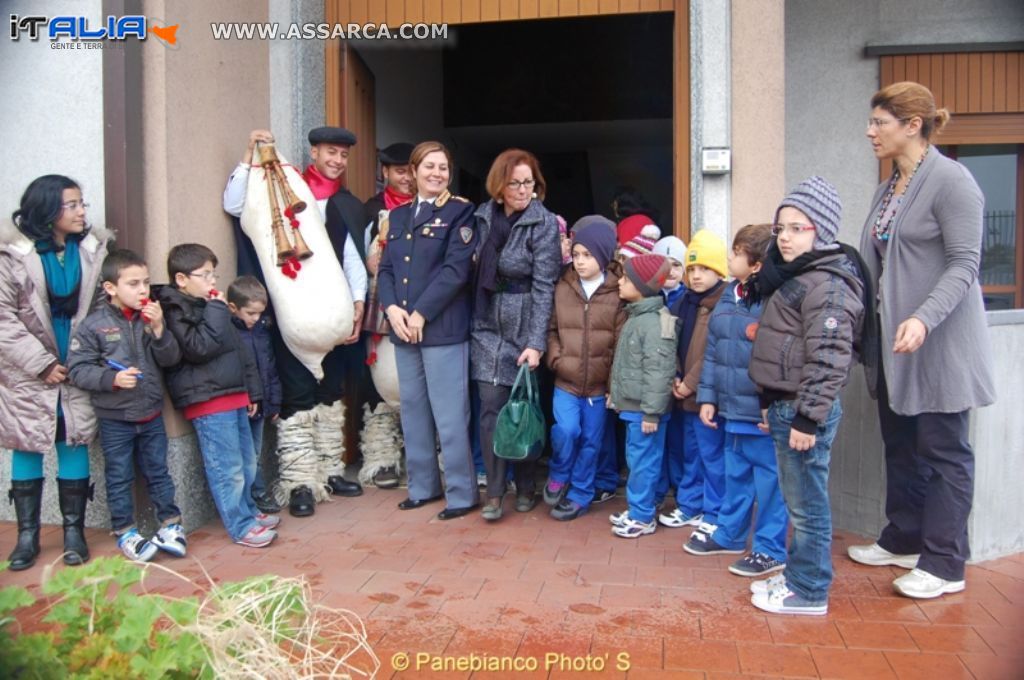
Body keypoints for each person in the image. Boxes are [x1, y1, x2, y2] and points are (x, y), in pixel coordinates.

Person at [847, 82, 996, 599]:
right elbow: (876, 265)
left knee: (943, 452)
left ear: (913, 125)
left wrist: (924, 318)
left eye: (879, 122)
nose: (870, 131)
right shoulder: (888, 187)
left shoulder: (954, 182)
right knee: (901, 445)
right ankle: (904, 537)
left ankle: (945, 563)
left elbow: (964, 265)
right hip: (894, 347)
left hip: (940, 344)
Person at [223, 127, 366, 516]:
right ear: (314, 152)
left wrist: (357, 305)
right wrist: (249, 154)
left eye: (344, 155)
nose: (337, 161)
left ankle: (331, 469)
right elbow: (236, 205)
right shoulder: (282, 185)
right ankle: (300, 480)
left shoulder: (346, 205)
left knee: (331, 392)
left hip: (331, 315)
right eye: (331, 152)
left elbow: (354, 260)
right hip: (290, 315)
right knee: (297, 394)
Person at [746, 177, 867, 615]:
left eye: (799, 228)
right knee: (798, 500)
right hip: (786, 406)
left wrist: (807, 418)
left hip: (802, 410)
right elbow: (783, 346)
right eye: (782, 227)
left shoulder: (828, 285)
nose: (786, 236)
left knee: (807, 507)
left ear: (823, 230)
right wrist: (769, 401)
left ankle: (810, 590)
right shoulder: (800, 276)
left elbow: (829, 357)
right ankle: (799, 575)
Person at [1, 175, 113, 570]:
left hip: (77, 360)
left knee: (74, 437)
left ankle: (73, 533)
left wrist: (86, 356)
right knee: (28, 441)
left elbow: (101, 308)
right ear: (48, 210)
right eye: (73, 205)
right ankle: (27, 537)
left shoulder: (91, 251)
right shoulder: (11, 255)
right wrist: (42, 363)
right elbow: (4, 319)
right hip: (29, 366)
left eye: (82, 203)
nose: (83, 211)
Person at [377, 141, 480, 520]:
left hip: (442, 330)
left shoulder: (460, 212)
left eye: (443, 167)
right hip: (403, 329)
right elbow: (387, 269)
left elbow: (456, 270)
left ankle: (462, 494)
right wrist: (391, 309)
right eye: (429, 166)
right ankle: (423, 487)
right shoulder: (398, 215)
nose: (437, 173)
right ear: (414, 170)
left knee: (451, 416)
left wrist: (420, 312)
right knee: (413, 411)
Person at [67, 249, 187, 562]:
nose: (143, 290)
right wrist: (112, 380)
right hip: (115, 418)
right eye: (133, 284)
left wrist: (160, 330)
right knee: (119, 475)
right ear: (111, 288)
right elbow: (77, 369)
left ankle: (170, 525)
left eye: (146, 283)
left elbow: (171, 359)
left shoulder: (152, 317)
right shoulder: (94, 325)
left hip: (151, 413)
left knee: (158, 471)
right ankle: (125, 531)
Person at [157, 243, 279, 548]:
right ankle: (240, 526)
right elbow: (199, 348)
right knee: (228, 468)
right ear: (182, 279)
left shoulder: (207, 305)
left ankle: (249, 512)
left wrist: (250, 390)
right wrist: (215, 307)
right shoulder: (175, 308)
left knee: (247, 462)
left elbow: (239, 351)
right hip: (209, 399)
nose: (213, 281)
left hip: (234, 393)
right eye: (205, 275)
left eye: (214, 274)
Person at [689, 224, 789, 577]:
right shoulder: (731, 294)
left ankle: (769, 548)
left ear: (757, 263)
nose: (730, 258)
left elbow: (776, 357)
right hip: (731, 409)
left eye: (735, 253)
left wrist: (769, 404)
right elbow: (713, 351)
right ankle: (730, 534)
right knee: (736, 476)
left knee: (770, 482)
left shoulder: (773, 299)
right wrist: (708, 396)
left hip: (759, 412)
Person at [471, 148, 562, 521]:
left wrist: (536, 342)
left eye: (529, 183)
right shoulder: (481, 217)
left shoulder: (543, 223)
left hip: (525, 322)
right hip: (486, 321)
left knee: (523, 408)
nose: (524, 190)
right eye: (515, 183)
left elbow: (545, 287)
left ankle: (526, 485)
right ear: (499, 186)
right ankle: (494, 492)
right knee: (491, 408)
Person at [544, 216, 626, 521]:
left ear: (603, 256)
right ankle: (560, 473)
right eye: (576, 254)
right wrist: (556, 359)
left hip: (597, 386)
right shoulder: (563, 286)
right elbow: (551, 329)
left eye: (588, 255)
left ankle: (580, 493)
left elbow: (620, 343)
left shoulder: (617, 292)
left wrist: (612, 385)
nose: (580, 262)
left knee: (592, 441)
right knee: (566, 431)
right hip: (565, 380)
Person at [662, 229, 728, 534]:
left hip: (708, 397)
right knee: (690, 452)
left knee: (711, 456)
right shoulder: (683, 302)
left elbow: (713, 351)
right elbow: (669, 340)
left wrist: (690, 381)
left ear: (719, 271)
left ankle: (713, 512)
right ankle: (689, 506)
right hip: (685, 395)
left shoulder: (725, 304)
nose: (696, 276)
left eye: (704, 269)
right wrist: (676, 375)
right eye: (691, 269)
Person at [607, 254, 678, 539]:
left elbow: (659, 371)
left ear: (641, 285)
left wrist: (651, 411)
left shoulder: (654, 323)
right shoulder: (638, 317)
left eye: (625, 278)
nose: (620, 283)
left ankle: (642, 516)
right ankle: (643, 507)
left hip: (644, 411)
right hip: (635, 407)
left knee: (642, 462)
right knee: (642, 459)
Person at [360, 142, 415, 489]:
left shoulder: (438, 207)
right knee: (380, 381)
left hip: (423, 310)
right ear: (385, 173)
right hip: (381, 308)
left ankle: (428, 454)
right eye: (400, 171)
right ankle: (382, 458)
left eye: (412, 170)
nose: (407, 178)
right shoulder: (369, 211)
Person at [227, 276, 283, 514]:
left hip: (261, 403)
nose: (255, 318)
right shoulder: (229, 331)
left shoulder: (261, 330)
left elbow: (270, 367)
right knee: (244, 453)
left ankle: (257, 492)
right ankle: (253, 495)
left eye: (259, 313)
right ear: (233, 308)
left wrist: (275, 401)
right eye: (250, 313)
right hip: (242, 401)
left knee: (255, 453)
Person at [651, 234, 687, 512]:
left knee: (678, 440)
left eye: (677, 265)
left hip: (679, 380)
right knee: (655, 441)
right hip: (653, 381)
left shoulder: (689, 300)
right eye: (665, 264)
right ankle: (657, 489)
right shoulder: (648, 297)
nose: (671, 271)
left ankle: (679, 488)